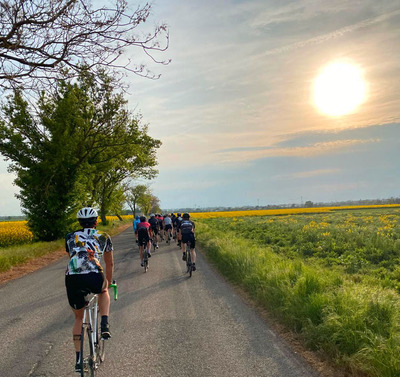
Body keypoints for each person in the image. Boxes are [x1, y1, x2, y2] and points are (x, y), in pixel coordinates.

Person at [65, 207, 114, 373]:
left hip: (72, 278)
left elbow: (73, 258)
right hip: (94, 275)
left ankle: (78, 360)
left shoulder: (70, 237)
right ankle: (105, 324)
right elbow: (110, 263)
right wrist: (108, 281)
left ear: (79, 222)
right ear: (96, 221)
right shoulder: (104, 236)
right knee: (104, 290)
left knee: (78, 318)